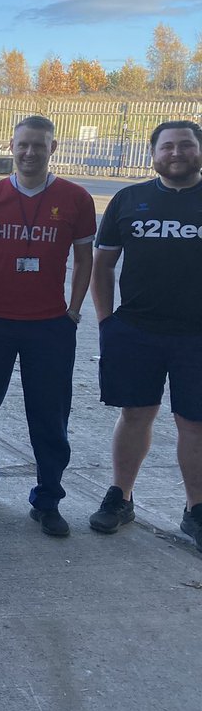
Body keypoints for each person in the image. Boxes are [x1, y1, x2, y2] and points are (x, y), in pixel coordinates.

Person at [0, 115, 94, 537]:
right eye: (23, 145)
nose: (30, 152)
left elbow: (85, 259)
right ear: (10, 147)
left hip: (49, 325)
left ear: (54, 148)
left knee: (50, 415)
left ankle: (47, 499)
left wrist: (73, 309)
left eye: (39, 145)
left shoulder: (75, 199)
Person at [88, 121, 202, 550]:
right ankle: (121, 496)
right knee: (135, 415)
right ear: (153, 153)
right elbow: (102, 265)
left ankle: (196, 511)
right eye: (167, 146)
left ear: (199, 151)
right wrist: (105, 321)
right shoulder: (128, 199)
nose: (177, 152)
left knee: (195, 424)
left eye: (186, 145)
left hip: (197, 336)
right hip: (136, 331)